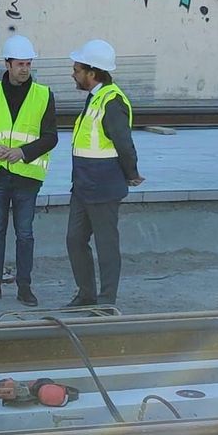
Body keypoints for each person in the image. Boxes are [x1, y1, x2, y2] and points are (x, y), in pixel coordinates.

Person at [0, 35, 58, 307]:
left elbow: (50, 137)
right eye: (20, 64)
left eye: (28, 64)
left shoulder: (43, 95)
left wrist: (24, 152)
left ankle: (24, 287)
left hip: (27, 175)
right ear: (7, 64)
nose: (25, 69)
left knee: (25, 234)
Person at [65, 39, 143, 309]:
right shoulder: (96, 98)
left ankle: (106, 301)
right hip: (83, 184)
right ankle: (86, 294)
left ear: (92, 72)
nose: (73, 74)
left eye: (77, 70)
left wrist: (131, 173)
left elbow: (123, 142)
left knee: (106, 244)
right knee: (75, 239)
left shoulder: (112, 101)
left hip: (103, 185)